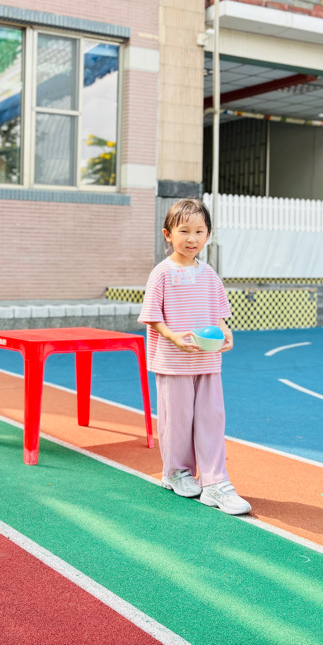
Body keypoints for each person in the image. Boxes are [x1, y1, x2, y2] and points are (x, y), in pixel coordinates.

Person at [139, 198, 251, 515]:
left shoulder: (210, 275)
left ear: (208, 235)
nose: (192, 238)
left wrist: (226, 331)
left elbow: (219, 314)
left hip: (207, 360)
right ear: (168, 234)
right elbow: (152, 316)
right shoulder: (161, 273)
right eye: (184, 231)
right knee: (177, 420)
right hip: (173, 362)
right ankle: (176, 472)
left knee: (211, 418)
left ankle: (215, 482)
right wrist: (174, 337)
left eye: (199, 231)